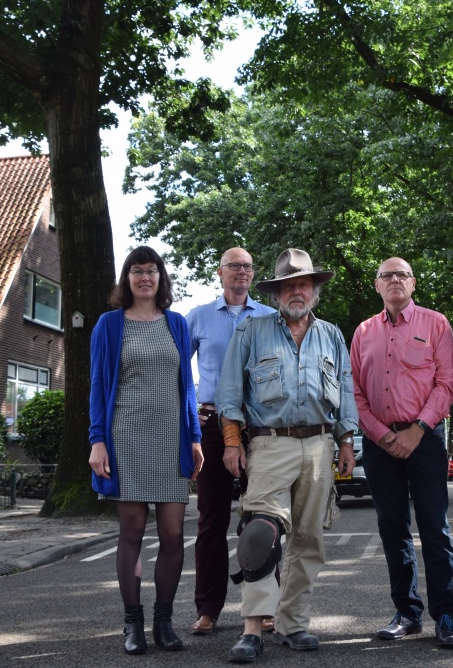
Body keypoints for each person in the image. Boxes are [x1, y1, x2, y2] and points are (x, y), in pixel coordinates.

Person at [215, 248, 359, 664]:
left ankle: (293, 623)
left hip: (319, 445)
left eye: (304, 284)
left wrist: (346, 440)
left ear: (314, 290)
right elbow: (229, 392)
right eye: (288, 285)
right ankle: (252, 628)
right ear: (277, 293)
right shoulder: (251, 330)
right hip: (268, 443)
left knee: (309, 540)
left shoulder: (332, 334)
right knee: (259, 533)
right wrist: (230, 440)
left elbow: (345, 392)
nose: (297, 291)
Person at [88, 245, 204, 655]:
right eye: (136, 271)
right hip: (126, 437)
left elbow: (187, 387)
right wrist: (97, 440)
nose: (144, 278)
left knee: (173, 534)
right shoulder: (108, 324)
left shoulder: (176, 323)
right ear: (127, 279)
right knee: (133, 532)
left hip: (171, 439)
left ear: (161, 278)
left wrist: (194, 437)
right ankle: (132, 623)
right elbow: (98, 386)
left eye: (151, 271)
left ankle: (164, 621)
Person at [349, 257, 453, 648]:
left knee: (435, 529)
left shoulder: (436, 324)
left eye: (402, 274)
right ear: (377, 286)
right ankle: (407, 613)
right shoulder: (363, 332)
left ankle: (445, 615)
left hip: (425, 440)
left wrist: (418, 430)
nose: (394, 280)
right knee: (392, 530)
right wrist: (380, 435)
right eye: (386, 275)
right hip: (380, 445)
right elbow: (355, 392)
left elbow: (447, 383)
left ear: (413, 283)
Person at [186, 247, 275, 636]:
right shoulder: (198, 318)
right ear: (219, 273)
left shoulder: (270, 318)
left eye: (248, 266)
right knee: (212, 520)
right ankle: (208, 608)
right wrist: (189, 417)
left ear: (253, 275)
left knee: (265, 519)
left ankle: (265, 608)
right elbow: (175, 373)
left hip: (260, 427)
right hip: (211, 426)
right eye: (234, 266)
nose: (242, 271)